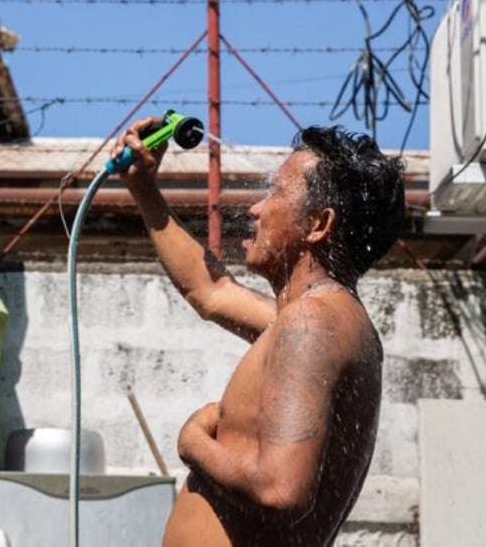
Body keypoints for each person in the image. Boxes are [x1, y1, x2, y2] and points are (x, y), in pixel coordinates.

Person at [112, 119, 406, 546]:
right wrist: (143, 188)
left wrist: (193, 443)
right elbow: (210, 291)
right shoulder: (311, 319)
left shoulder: (313, 324)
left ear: (319, 225)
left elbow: (280, 491)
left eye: (276, 193)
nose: (255, 208)